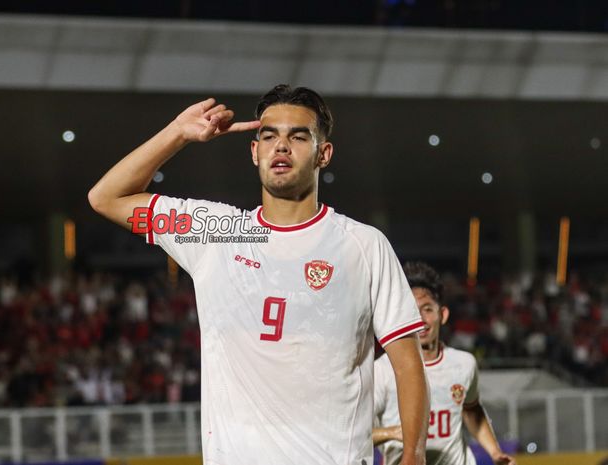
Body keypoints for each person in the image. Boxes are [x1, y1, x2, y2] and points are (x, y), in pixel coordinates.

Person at [89, 85, 429, 465]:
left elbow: (408, 364)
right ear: (255, 152)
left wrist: (413, 459)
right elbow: (106, 198)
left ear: (324, 154)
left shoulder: (364, 245)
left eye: (298, 137)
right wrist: (178, 134)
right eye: (269, 136)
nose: (281, 147)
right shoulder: (216, 232)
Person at [373, 262, 516, 465]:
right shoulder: (382, 370)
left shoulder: (464, 364)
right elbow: (359, 433)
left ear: (443, 315)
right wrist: (393, 432)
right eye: (412, 310)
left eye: (427, 309)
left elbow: (472, 410)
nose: (420, 319)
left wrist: (495, 452)